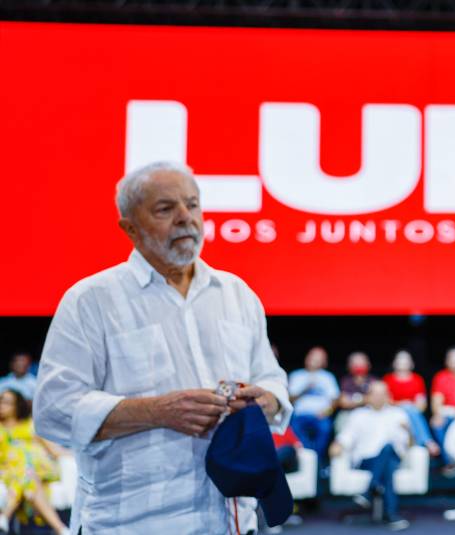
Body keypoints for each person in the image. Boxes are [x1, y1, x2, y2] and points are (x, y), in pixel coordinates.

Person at [32, 161, 293, 534]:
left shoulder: (237, 294)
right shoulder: (91, 300)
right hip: (132, 524)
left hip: (232, 521)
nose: (186, 217)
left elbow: (270, 377)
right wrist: (157, 411)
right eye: (165, 209)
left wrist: (267, 400)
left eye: (192, 204)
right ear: (130, 228)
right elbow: (54, 410)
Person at [329, 381, 412, 531]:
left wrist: (409, 431)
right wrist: (337, 445)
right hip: (367, 460)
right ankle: (390, 514)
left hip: (394, 456)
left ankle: (370, 490)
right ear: (367, 396)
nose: (379, 397)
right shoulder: (358, 415)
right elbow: (346, 436)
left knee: (388, 449)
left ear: (388, 396)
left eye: (382, 394)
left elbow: (409, 444)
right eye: (375, 394)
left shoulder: (398, 414)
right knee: (388, 465)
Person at [0, 389, 69, 534]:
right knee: (28, 478)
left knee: (27, 473)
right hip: (8, 470)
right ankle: (61, 529)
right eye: (0, 400)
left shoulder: (30, 425)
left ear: (17, 405)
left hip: (38, 468)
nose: (2, 405)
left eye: (7, 402)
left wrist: (77, 455)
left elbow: (54, 450)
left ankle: (5, 516)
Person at [383, 349, 440, 456]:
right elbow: (386, 402)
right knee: (408, 408)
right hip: (393, 413)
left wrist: (408, 407)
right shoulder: (387, 380)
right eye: (400, 359)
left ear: (411, 363)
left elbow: (421, 406)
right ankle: (427, 441)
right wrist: (403, 404)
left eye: (406, 360)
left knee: (411, 410)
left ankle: (422, 445)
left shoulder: (417, 380)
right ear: (394, 363)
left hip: (413, 413)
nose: (403, 363)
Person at [288, 346, 340, 458]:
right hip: (299, 415)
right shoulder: (296, 375)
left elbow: (335, 400)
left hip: (321, 416)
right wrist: (305, 388)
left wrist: (326, 412)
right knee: (294, 429)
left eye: (318, 358)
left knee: (325, 428)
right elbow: (289, 399)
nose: (314, 360)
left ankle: (317, 459)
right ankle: (306, 458)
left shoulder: (328, 377)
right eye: (312, 357)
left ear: (324, 362)